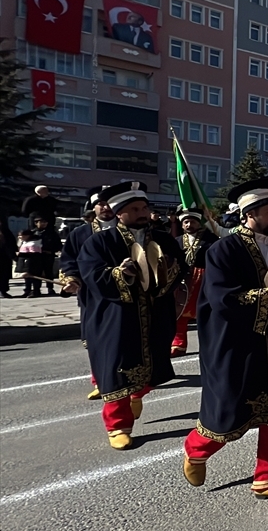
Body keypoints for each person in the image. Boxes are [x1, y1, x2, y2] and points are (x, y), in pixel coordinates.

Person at [183, 178, 268, 503]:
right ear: (249, 213)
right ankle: (196, 449)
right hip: (237, 345)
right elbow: (221, 299)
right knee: (230, 411)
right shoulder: (224, 249)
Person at [78, 182, 186, 450]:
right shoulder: (100, 242)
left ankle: (138, 393)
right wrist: (120, 274)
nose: (142, 213)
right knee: (116, 369)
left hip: (155, 315)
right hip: (117, 319)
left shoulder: (162, 239)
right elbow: (93, 277)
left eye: (144, 207)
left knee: (152, 364)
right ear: (119, 213)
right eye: (135, 208)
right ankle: (118, 426)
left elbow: (180, 268)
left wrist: (169, 269)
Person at [59, 186, 116, 399]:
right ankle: (99, 381)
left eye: (109, 203)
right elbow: (68, 261)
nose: (105, 207)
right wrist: (71, 280)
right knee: (95, 339)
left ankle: (125, 381)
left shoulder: (127, 229)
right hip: (91, 295)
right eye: (100, 203)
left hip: (124, 294)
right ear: (93, 207)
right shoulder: (80, 234)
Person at [173, 207, 219, 357]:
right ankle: (178, 344)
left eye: (192, 221)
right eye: (186, 222)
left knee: (204, 312)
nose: (189, 225)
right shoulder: (177, 241)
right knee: (179, 312)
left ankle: (210, 344)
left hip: (203, 278)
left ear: (199, 223)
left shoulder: (211, 239)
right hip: (182, 279)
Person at [30, 213, 61, 295]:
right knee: (36, 273)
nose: (43, 224)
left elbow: (58, 245)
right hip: (36, 257)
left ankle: (50, 289)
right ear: (36, 223)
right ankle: (36, 289)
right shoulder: (32, 233)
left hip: (48, 256)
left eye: (45, 222)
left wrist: (52, 251)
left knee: (49, 273)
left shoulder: (52, 233)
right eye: (41, 222)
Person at [16, 229, 43, 297]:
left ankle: (36, 291)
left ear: (27, 236)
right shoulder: (23, 242)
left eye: (21, 235)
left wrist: (21, 254)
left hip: (33, 262)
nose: (19, 237)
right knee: (27, 278)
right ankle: (27, 290)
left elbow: (34, 254)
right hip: (25, 261)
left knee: (35, 278)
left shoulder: (34, 243)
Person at [0, 216, 16, 298]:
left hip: (5, 257)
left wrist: (13, 256)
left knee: (4, 276)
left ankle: (3, 291)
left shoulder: (6, 232)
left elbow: (11, 245)